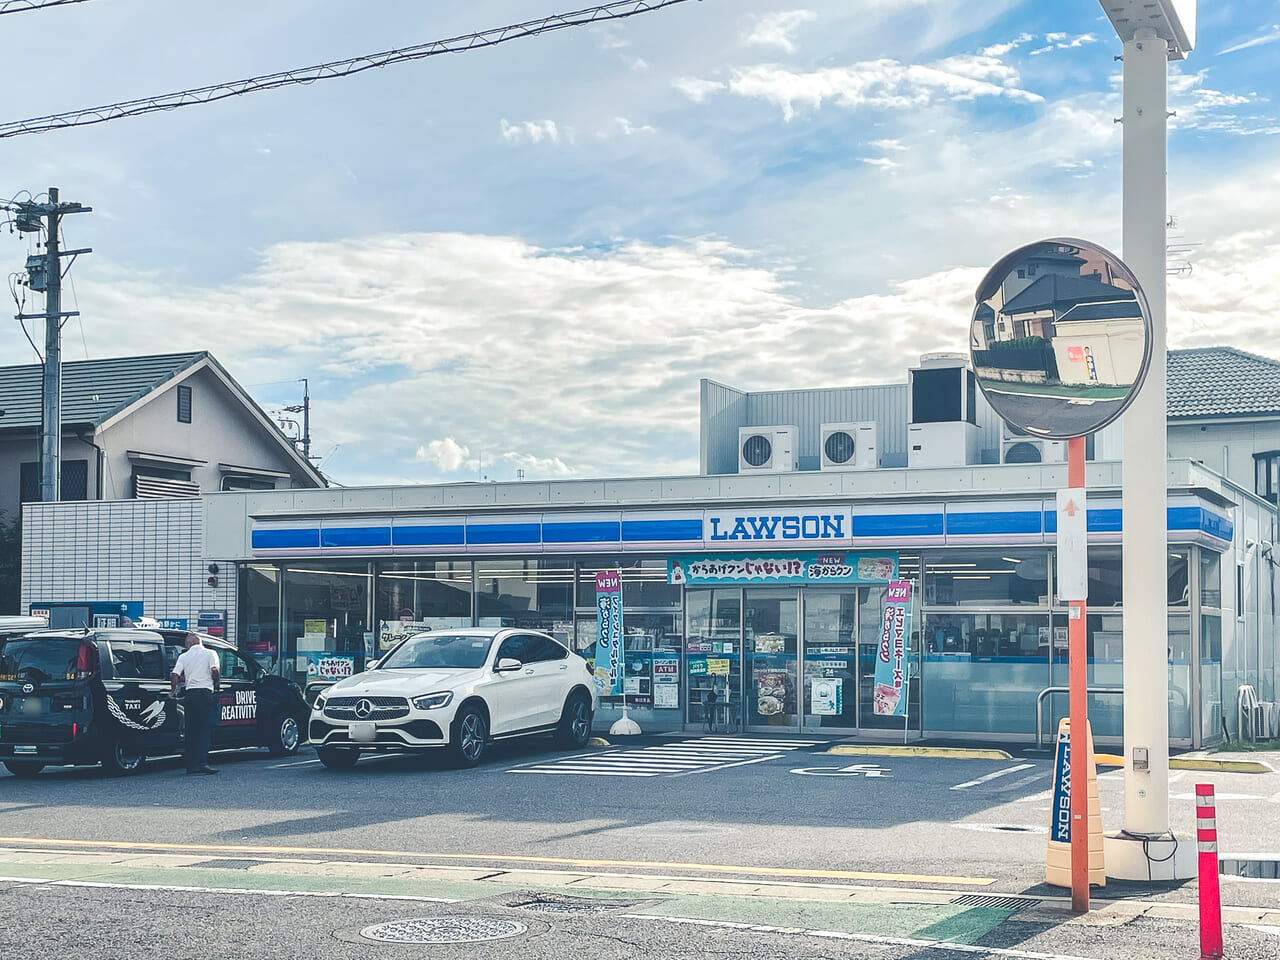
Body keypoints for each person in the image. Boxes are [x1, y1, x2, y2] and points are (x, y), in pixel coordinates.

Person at [170, 632, 221, 775]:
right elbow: (214, 670)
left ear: (188, 644)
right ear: (200, 642)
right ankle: (202, 763)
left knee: (190, 730)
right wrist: (216, 683)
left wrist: (172, 690)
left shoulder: (183, 656)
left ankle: (190, 765)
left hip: (190, 694)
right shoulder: (211, 653)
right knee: (203, 730)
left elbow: (175, 675)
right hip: (205, 693)